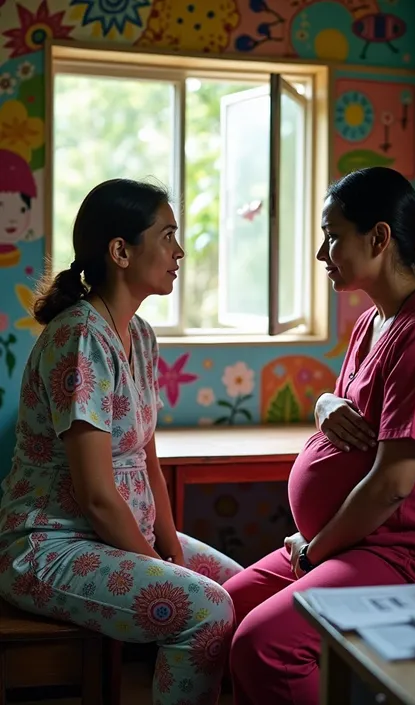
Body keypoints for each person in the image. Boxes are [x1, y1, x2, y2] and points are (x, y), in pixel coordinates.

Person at [224, 167, 415, 705]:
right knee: (220, 611)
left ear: (379, 238)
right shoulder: (373, 322)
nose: (322, 254)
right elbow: (345, 424)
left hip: (404, 551)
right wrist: (322, 404)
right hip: (347, 542)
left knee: (264, 644)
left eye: (332, 236)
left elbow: (393, 483)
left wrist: (314, 552)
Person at [0, 179, 243, 705]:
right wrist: (161, 568)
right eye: (169, 235)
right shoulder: (80, 337)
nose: (179, 251)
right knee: (208, 609)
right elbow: (96, 496)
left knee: (246, 593)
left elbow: (147, 459)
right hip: (50, 546)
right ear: (121, 251)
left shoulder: (141, 335)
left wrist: (171, 548)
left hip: (113, 536)